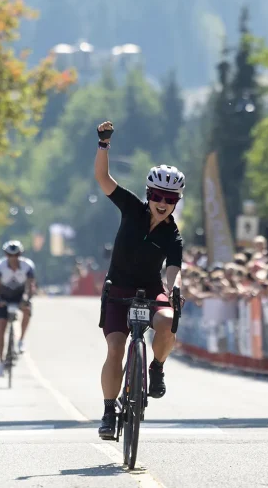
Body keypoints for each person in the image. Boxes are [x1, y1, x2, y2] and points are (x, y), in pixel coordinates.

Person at [93, 120, 183, 441]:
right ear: (149, 194)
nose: (163, 202)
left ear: (176, 202)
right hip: (118, 289)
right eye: (158, 195)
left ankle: (156, 366)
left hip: (151, 290)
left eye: (170, 198)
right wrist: (104, 144)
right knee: (116, 347)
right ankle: (107, 410)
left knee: (168, 321)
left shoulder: (173, 234)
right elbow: (104, 179)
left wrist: (170, 289)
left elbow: (173, 265)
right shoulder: (131, 208)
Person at [0, 239, 36, 376]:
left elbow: (31, 285)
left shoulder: (28, 266)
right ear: (6, 255)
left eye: (16, 255)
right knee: (1, 328)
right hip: (4, 297)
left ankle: (21, 339)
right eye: (10, 255)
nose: (13, 258)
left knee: (27, 310)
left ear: (20, 255)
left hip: (20, 295)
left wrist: (27, 298)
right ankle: (0, 361)